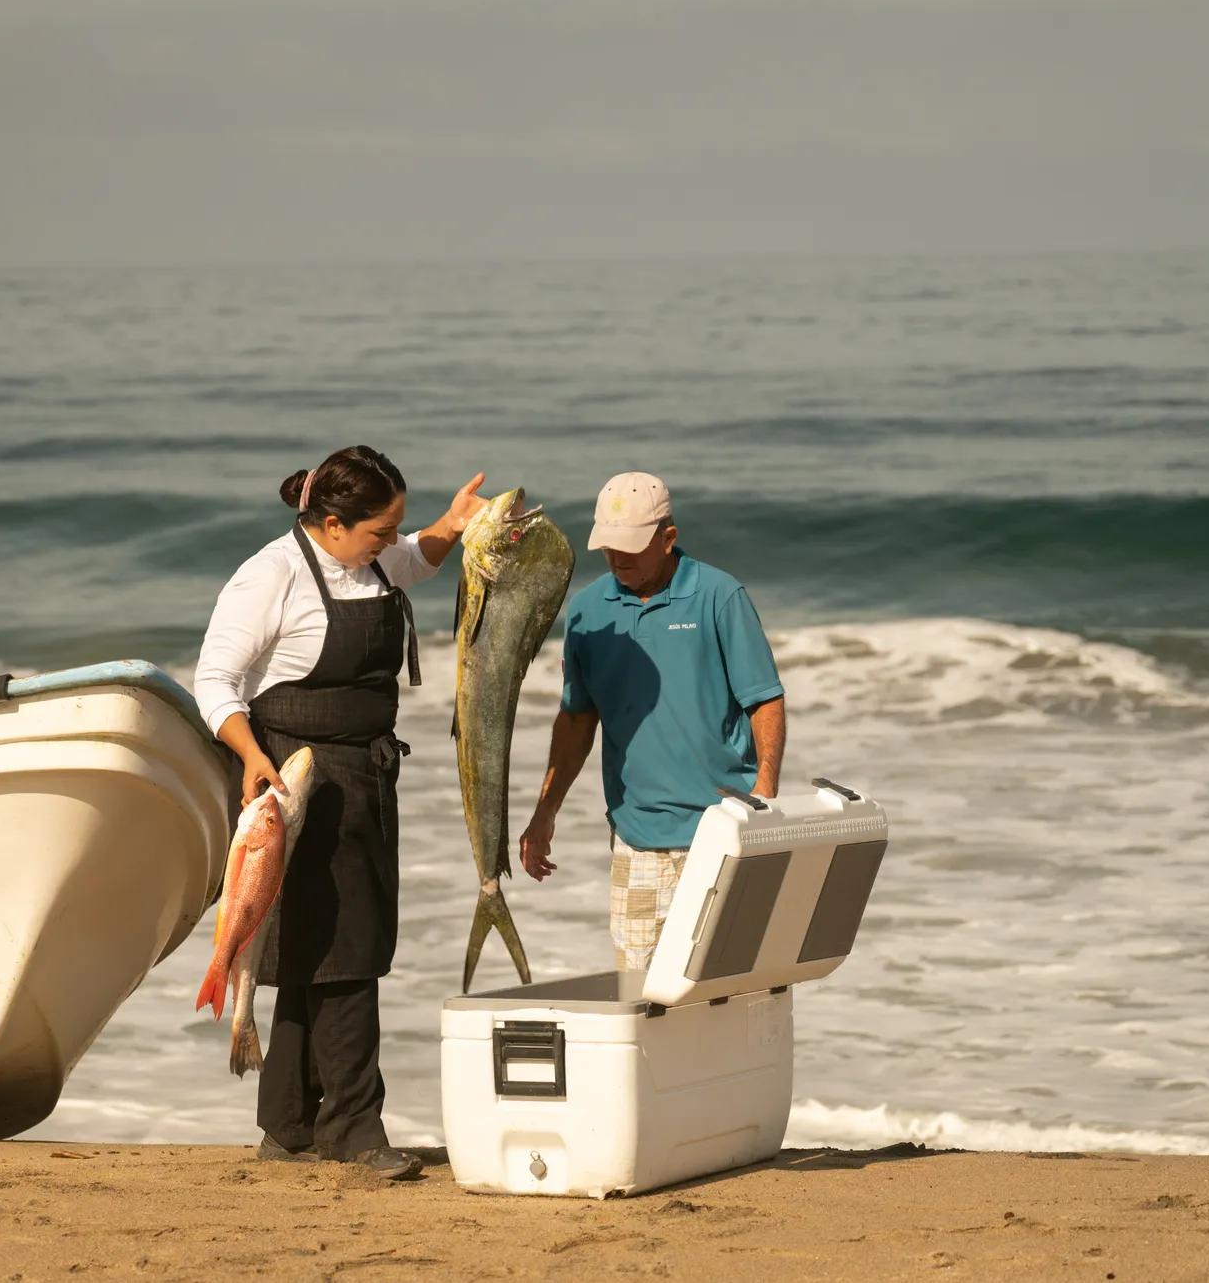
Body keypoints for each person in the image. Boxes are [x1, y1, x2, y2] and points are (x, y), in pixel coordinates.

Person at [194, 445, 486, 1181]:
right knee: (343, 953)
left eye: (394, 530)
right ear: (330, 523)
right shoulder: (272, 575)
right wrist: (251, 757)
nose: (392, 542)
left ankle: (288, 1125)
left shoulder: (370, 561)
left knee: (313, 952)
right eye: (379, 531)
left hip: (366, 773)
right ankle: (355, 1130)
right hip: (293, 778)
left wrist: (450, 525)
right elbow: (215, 680)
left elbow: (415, 560)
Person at [516, 471, 786, 982]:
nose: (619, 560)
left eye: (632, 547)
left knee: (728, 989)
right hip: (638, 837)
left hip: (724, 828)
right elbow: (577, 719)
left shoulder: (718, 596)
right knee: (643, 996)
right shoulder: (588, 612)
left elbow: (765, 700)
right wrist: (544, 812)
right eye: (609, 547)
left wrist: (765, 794)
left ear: (668, 537)